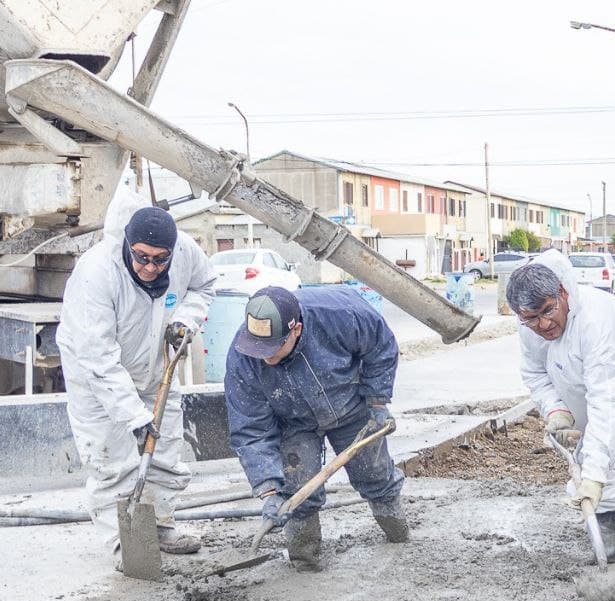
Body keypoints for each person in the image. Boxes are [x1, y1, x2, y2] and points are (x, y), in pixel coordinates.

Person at [57, 199, 215, 561]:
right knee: (111, 458)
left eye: (160, 260)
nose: (149, 267)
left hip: (155, 366)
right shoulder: (96, 273)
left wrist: (186, 320)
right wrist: (134, 417)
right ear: (127, 246)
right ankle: (124, 544)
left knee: (165, 450)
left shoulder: (186, 253)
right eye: (141, 257)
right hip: (95, 376)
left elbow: (204, 286)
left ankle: (160, 524)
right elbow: (98, 356)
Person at [506, 250, 615, 562]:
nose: (542, 325)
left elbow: (607, 403)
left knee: (611, 471)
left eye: (548, 311)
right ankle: (603, 527)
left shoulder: (595, 322)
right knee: (587, 460)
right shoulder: (528, 324)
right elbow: (534, 371)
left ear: (564, 293)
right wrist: (555, 409)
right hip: (581, 385)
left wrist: (596, 477)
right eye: (530, 318)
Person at [225, 285, 406, 572]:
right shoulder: (243, 358)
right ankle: (304, 563)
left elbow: (380, 348)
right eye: (259, 348)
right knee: (297, 491)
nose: (264, 357)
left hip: (350, 405)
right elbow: (251, 430)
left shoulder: (340, 315)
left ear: (295, 329)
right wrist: (270, 491)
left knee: (376, 475)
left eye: (272, 348)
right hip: (293, 421)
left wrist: (378, 401)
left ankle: (399, 536)